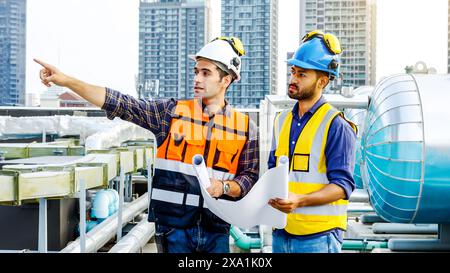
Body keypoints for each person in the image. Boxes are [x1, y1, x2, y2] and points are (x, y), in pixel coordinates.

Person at [35, 36, 259, 253]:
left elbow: (249, 177)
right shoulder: (170, 114)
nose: (197, 79)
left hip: (217, 230)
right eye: (196, 72)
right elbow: (120, 102)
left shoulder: (246, 128)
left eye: (206, 73)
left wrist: (224, 187)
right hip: (173, 229)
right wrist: (66, 80)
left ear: (226, 80)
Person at [268, 30, 357, 253]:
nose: (293, 80)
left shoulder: (336, 125)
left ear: (322, 81)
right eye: (293, 72)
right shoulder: (281, 121)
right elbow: (273, 172)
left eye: (302, 74)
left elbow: (342, 186)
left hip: (319, 238)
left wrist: (300, 201)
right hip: (281, 233)